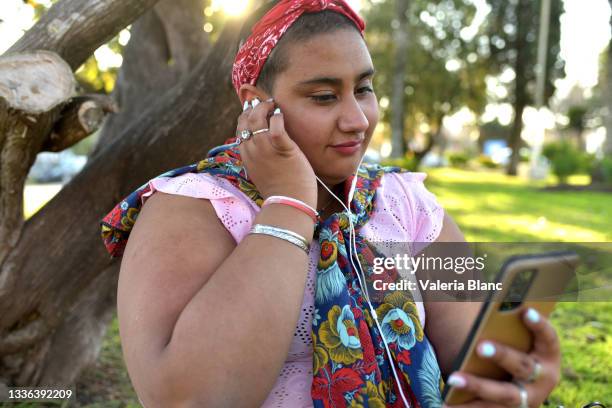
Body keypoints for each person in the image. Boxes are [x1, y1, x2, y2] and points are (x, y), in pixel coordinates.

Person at [100, 1, 562, 406]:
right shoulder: (193, 207)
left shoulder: (404, 203)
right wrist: (288, 205)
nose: (357, 120)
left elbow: (473, 354)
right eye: (324, 97)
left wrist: (516, 380)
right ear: (258, 104)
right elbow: (190, 398)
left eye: (363, 89)